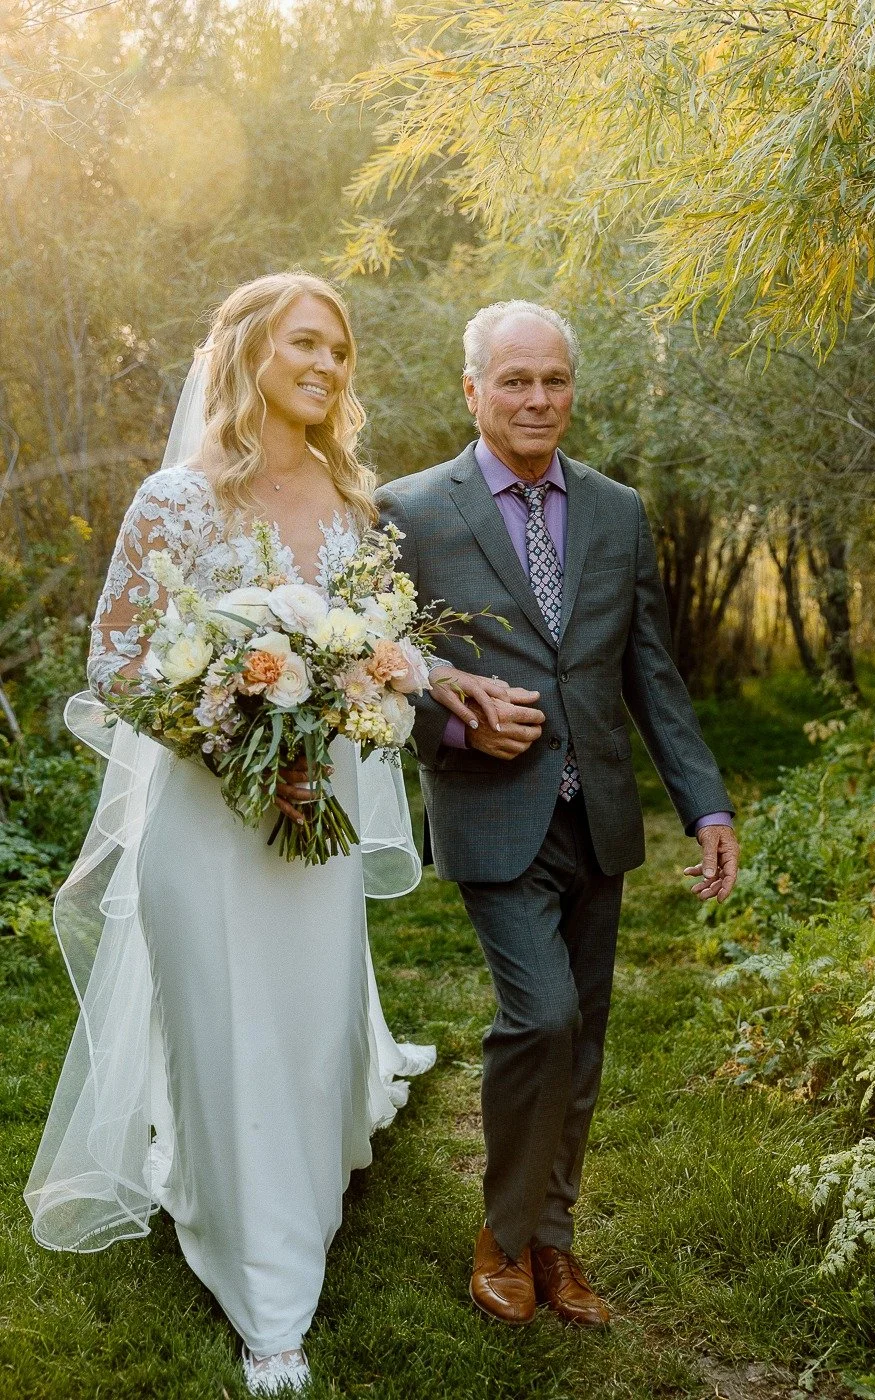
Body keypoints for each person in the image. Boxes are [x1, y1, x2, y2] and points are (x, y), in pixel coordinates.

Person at [24, 272, 499, 1395]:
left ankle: (294, 1167)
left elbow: (380, 638)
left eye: (339, 349)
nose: (328, 365)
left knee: (306, 1014)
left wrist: (433, 681)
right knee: (225, 1027)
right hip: (211, 814)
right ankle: (269, 1300)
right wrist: (234, 736)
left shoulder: (349, 501)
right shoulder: (174, 500)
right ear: (245, 352)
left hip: (315, 813)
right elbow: (116, 664)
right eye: (306, 343)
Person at [377, 300, 740, 1330]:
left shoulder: (618, 509)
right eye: (514, 381)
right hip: (491, 811)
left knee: (583, 1043)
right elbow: (378, 670)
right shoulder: (409, 510)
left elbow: (651, 673)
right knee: (541, 1017)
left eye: (553, 381)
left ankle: (555, 1241)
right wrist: (453, 731)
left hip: (602, 816)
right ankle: (500, 1229)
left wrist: (702, 800)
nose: (537, 399)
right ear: (472, 390)